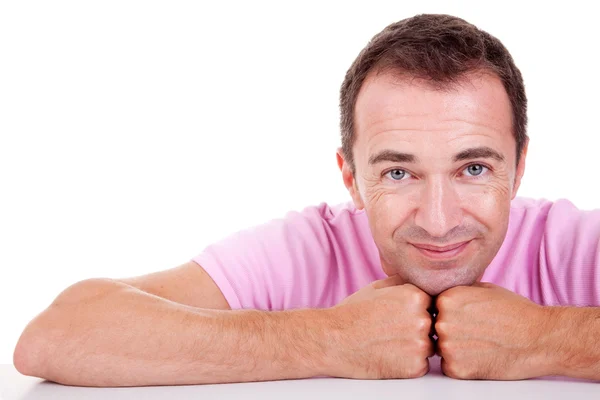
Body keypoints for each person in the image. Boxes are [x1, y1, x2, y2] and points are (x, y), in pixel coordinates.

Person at [13, 13, 600, 387]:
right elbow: (57, 335)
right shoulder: (306, 248)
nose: (439, 220)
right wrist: (328, 338)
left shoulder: (570, 243)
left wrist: (548, 338)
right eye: (398, 173)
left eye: (474, 168)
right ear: (349, 177)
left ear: (520, 167)